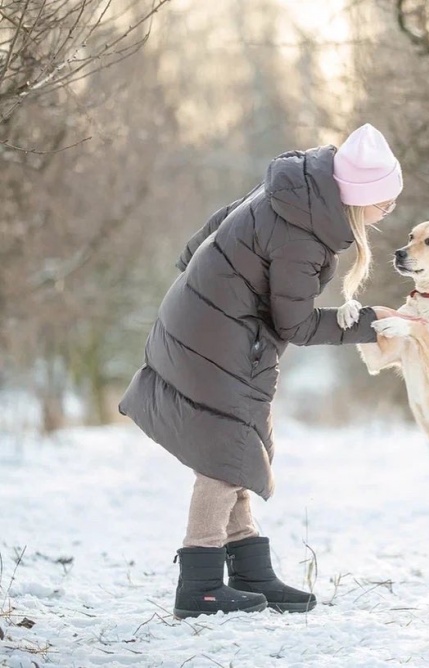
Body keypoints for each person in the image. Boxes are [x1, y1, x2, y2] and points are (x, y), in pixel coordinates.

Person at [119, 124, 407, 619]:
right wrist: (370, 324)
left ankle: (251, 572)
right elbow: (294, 324)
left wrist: (221, 288)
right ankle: (201, 586)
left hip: (202, 322)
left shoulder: (292, 192)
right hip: (213, 337)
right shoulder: (304, 233)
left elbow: (198, 243)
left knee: (238, 449)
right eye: (386, 203)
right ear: (359, 200)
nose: (389, 214)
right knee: (224, 454)